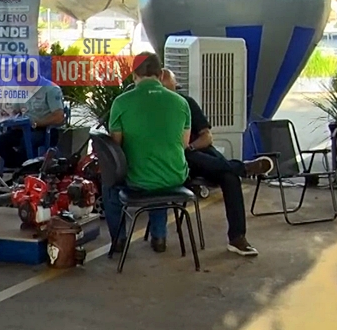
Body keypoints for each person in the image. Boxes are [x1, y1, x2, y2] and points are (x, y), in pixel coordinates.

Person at [160, 69, 271, 256]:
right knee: (214, 165)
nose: (168, 93)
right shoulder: (154, 109)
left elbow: (207, 137)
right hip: (176, 162)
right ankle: (243, 167)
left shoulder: (186, 103)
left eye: (170, 88)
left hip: (197, 153)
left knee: (229, 178)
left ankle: (237, 238)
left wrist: (191, 147)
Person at [105, 52, 189, 254]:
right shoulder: (181, 102)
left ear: (134, 76)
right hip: (176, 177)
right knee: (159, 179)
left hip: (139, 180)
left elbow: (116, 147)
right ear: (160, 75)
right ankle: (159, 237)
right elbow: (184, 144)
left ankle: (119, 240)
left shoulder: (122, 102)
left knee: (110, 185)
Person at [0, 78, 66, 168]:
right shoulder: (22, 89)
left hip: (44, 130)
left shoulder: (51, 89)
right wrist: (9, 115)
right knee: (0, 141)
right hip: (24, 128)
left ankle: (27, 167)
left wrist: (37, 123)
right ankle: (19, 165)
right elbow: (15, 110)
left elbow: (59, 117)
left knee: (27, 141)